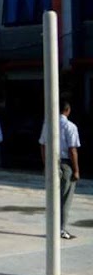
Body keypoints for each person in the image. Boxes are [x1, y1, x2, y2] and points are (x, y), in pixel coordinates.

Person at [40, 102, 81, 240]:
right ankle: (61, 229)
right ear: (68, 110)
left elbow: (43, 145)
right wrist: (76, 170)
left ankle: (53, 228)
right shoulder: (70, 126)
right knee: (65, 199)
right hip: (65, 164)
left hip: (51, 163)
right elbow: (72, 150)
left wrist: (47, 165)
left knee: (53, 198)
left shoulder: (48, 124)